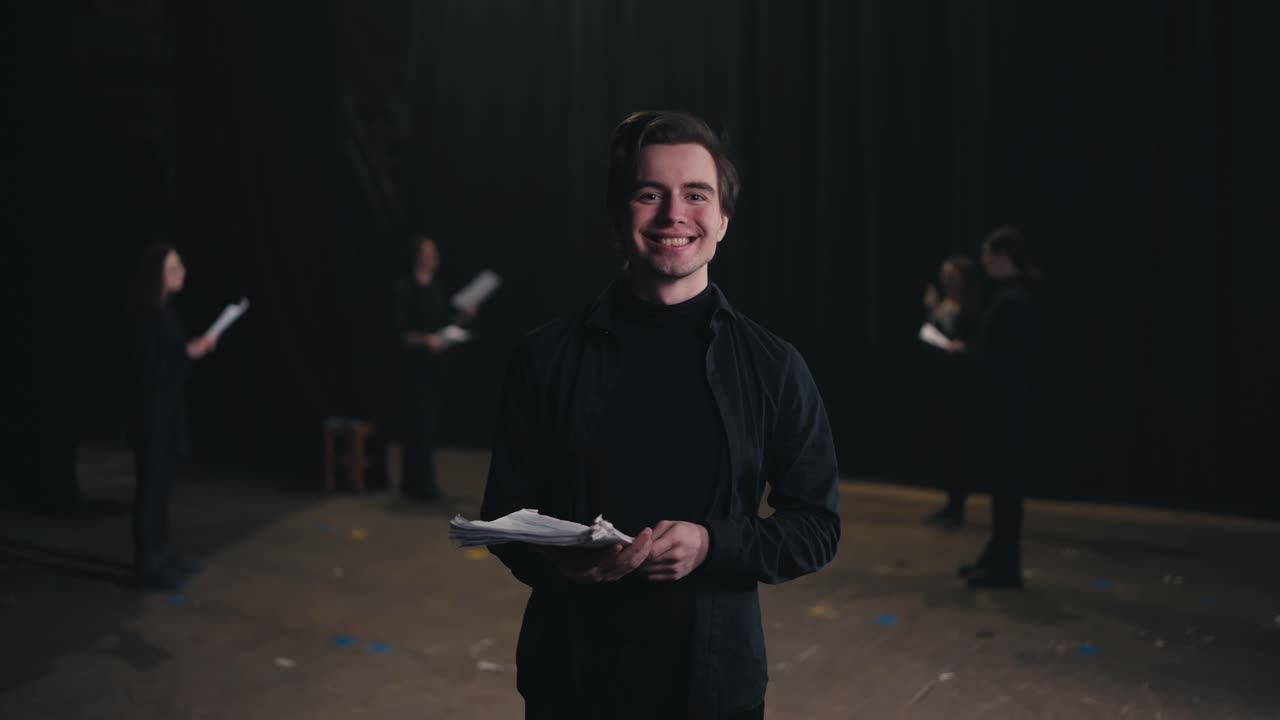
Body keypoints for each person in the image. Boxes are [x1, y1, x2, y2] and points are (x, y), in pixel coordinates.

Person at [480, 111, 841, 718]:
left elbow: (816, 526)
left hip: (713, 684)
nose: (675, 214)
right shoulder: (543, 358)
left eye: (695, 195)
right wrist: (560, 560)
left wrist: (712, 544)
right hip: (571, 677)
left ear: (722, 219)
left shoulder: (772, 366)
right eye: (651, 194)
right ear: (621, 215)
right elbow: (505, 514)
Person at [949, 225, 1039, 589]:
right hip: (1005, 403)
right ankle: (998, 555)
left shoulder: (1013, 300)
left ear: (1002, 256)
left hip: (1006, 405)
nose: (983, 261)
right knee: (1002, 486)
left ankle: (1005, 563)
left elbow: (1002, 357)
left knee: (1006, 488)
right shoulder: (1009, 296)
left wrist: (965, 352)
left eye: (987, 254)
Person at [129, 243, 217, 591]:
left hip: (167, 411)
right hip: (150, 415)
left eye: (181, 265)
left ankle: (163, 553)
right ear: (157, 275)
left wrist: (190, 351)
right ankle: (148, 561)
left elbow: (171, 361)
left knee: (164, 485)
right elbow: (150, 370)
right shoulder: (146, 316)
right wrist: (188, 352)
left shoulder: (165, 312)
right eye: (173, 267)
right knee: (151, 488)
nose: (182, 272)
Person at [393, 235, 474, 501]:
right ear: (418, 256)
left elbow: (445, 326)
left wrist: (464, 317)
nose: (434, 257)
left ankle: (422, 483)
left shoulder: (437, 289)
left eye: (435, 252)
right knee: (417, 427)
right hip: (412, 369)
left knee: (427, 427)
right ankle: (415, 485)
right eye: (429, 252)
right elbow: (400, 333)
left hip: (434, 369)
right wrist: (427, 340)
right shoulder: (404, 289)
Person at [919, 254, 981, 529]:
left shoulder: (972, 306)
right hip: (942, 380)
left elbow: (974, 339)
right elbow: (932, 334)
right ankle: (951, 503)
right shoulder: (944, 305)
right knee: (946, 444)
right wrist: (931, 311)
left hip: (964, 382)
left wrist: (962, 346)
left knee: (960, 445)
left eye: (952, 275)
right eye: (944, 275)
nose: (947, 280)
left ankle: (958, 506)